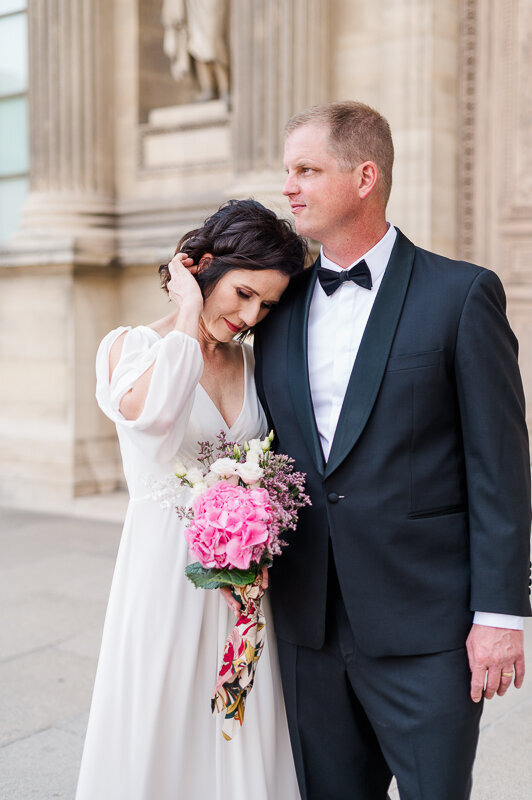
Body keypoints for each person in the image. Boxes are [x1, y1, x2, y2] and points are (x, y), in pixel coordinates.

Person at [253, 101, 532, 800]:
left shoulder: (461, 295)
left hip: (428, 631)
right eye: (288, 171)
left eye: (307, 170)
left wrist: (501, 616)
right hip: (306, 625)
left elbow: (500, 466)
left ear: (364, 177)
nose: (289, 187)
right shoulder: (275, 312)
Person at [75, 199, 306, 800]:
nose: (252, 315)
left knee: (240, 719)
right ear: (202, 267)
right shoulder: (126, 349)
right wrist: (186, 314)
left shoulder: (255, 362)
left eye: (267, 305)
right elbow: (155, 418)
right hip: (164, 574)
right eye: (243, 293)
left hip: (245, 583)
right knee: (164, 715)